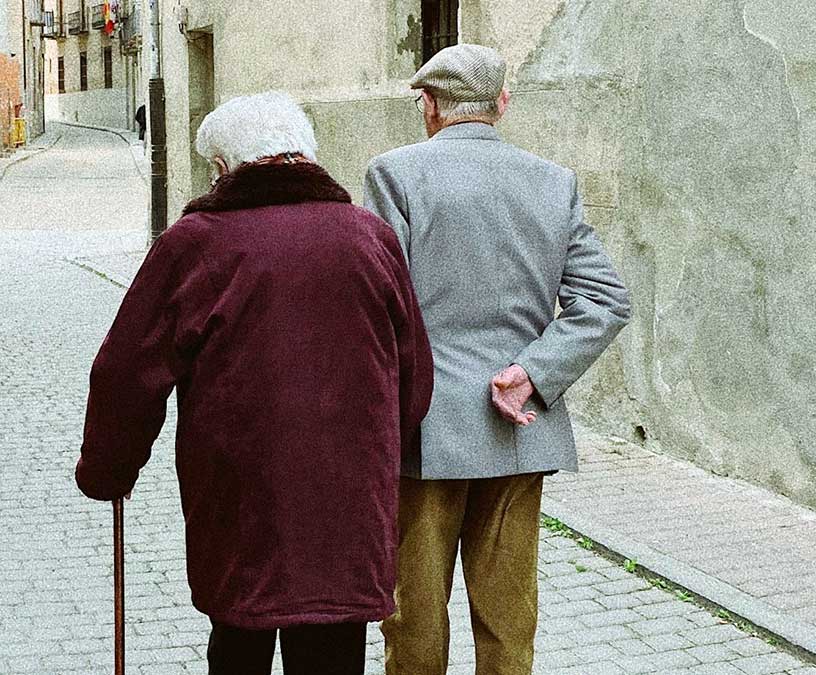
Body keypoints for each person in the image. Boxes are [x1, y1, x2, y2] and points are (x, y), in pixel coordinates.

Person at [75, 91, 434, 675]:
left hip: (239, 500)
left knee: (239, 637)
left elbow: (125, 373)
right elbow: (413, 374)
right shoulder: (370, 238)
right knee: (334, 646)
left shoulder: (194, 244)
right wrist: (377, 450)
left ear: (221, 170)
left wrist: (109, 469)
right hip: (345, 501)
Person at [364, 44, 632, 674]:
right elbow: (606, 299)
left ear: (428, 107)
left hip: (422, 431)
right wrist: (535, 373)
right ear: (502, 105)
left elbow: (379, 305)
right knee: (510, 621)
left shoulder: (394, 174)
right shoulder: (553, 181)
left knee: (415, 618)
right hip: (518, 427)